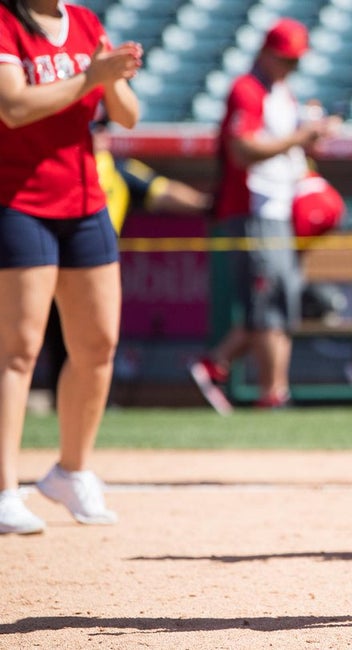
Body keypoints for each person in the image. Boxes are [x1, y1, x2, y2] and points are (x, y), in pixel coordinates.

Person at [0, 0, 142, 534]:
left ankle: (71, 471)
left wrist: (115, 76)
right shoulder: (5, 20)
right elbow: (12, 107)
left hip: (84, 203)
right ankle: (3, 489)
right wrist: (91, 76)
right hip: (17, 201)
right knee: (17, 351)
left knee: (99, 345)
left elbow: (127, 115)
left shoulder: (83, 21)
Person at [188, 18, 340, 415]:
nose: (291, 67)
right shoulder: (247, 89)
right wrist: (299, 138)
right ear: (266, 53)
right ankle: (271, 392)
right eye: (285, 59)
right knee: (269, 301)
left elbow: (287, 148)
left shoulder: (281, 92)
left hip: (278, 205)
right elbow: (243, 150)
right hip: (254, 206)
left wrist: (311, 139)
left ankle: (217, 366)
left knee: (278, 298)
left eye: (295, 61)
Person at [40, 114, 213, 405]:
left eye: (101, 129)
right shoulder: (54, 164)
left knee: (92, 343)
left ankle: (87, 409)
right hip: (46, 264)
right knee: (38, 342)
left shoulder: (117, 169)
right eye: (91, 129)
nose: (98, 135)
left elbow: (162, 189)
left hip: (92, 266)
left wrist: (209, 204)